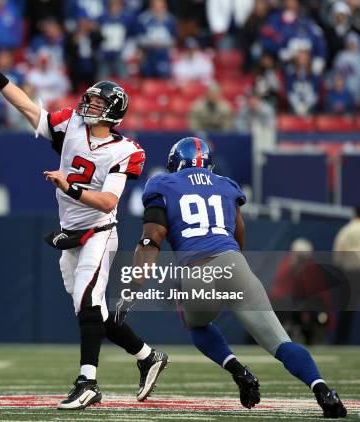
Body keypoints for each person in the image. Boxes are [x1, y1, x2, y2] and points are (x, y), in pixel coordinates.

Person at [0, 44, 168, 410]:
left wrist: (70, 186)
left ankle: (87, 382)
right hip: (70, 233)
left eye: (95, 103)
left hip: (99, 231)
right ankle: (148, 356)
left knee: (90, 305)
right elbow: (28, 108)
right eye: (88, 100)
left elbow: (109, 202)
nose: (86, 107)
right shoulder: (71, 124)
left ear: (112, 113)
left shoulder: (126, 151)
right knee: (92, 314)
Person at [116, 137, 347, 418]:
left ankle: (239, 370)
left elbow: (152, 240)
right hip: (235, 266)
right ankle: (322, 390)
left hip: (197, 271)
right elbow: (239, 235)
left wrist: (133, 287)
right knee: (282, 343)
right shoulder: (226, 185)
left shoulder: (161, 184)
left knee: (196, 326)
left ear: (175, 163)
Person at [332, 206, 360, 344]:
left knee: (346, 310)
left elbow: (338, 254)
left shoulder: (346, 230)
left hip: (348, 273)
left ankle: (340, 341)